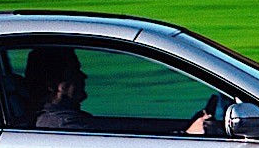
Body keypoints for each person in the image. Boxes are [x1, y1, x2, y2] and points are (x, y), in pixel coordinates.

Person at [22, 46, 209, 134]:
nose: (83, 76)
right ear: (54, 85)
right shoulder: (63, 126)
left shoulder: (63, 120)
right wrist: (188, 135)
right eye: (75, 71)